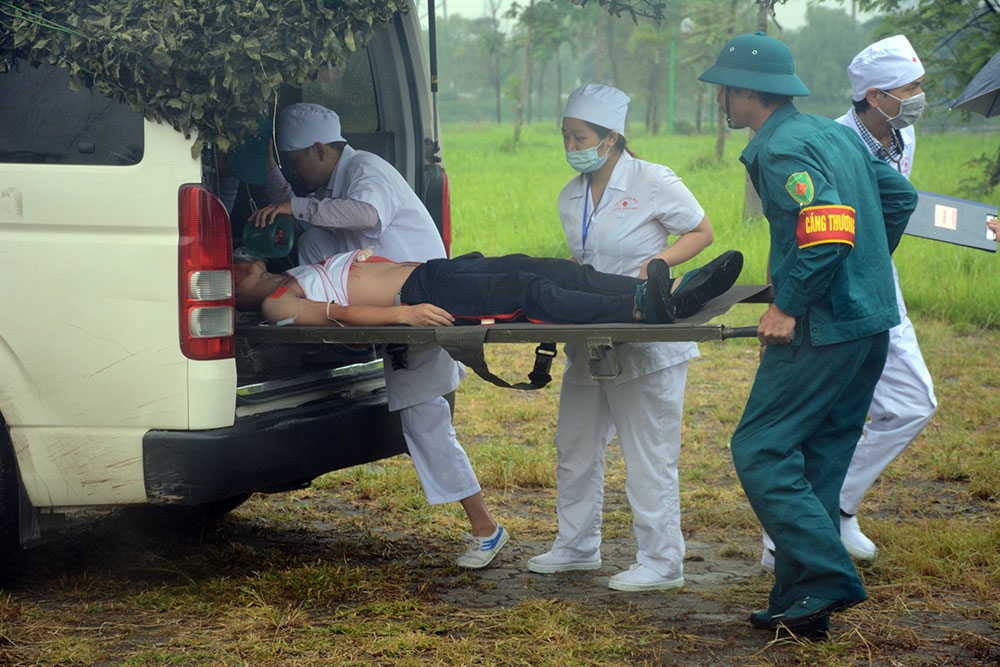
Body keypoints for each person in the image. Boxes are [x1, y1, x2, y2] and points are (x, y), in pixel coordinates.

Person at [698, 32, 918, 633]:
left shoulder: (780, 148)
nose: (720, 98)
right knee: (819, 458)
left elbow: (828, 229)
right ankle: (800, 603)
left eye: (724, 89)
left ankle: (825, 577)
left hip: (822, 328)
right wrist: (863, 270)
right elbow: (899, 197)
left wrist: (789, 305)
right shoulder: (833, 133)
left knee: (760, 449)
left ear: (747, 92)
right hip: (868, 324)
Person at [248, 102, 507, 569]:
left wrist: (295, 205)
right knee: (312, 236)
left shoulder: (366, 170)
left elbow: (365, 214)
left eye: (297, 162)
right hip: (393, 309)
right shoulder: (330, 187)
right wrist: (272, 173)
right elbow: (307, 214)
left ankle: (486, 528)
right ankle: (485, 527)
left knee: (424, 420)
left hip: (421, 303)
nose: (296, 175)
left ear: (321, 150)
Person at [527, 84, 718, 592]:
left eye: (580, 137)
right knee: (575, 445)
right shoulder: (571, 195)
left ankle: (662, 561)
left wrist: (656, 265)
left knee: (648, 454)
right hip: (591, 337)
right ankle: (576, 546)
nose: (571, 146)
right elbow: (583, 260)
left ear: (611, 138)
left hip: (646, 340)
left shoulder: (652, 180)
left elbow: (701, 231)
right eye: (565, 136)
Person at [759, 35, 937, 573]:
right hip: (828, 290)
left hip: (877, 284)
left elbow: (899, 201)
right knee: (817, 413)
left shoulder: (904, 135)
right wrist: (786, 299)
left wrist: (977, 226)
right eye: (910, 88)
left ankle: (835, 507)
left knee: (913, 403)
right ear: (875, 95)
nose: (919, 97)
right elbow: (796, 229)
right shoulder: (831, 141)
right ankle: (788, 536)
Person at [234, 248, 744, 327]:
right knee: (527, 290)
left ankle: (671, 288)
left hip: (437, 271)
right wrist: (404, 315)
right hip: (421, 296)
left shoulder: (291, 270)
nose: (241, 260)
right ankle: (640, 307)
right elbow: (338, 316)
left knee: (548, 267)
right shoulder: (279, 303)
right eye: (232, 267)